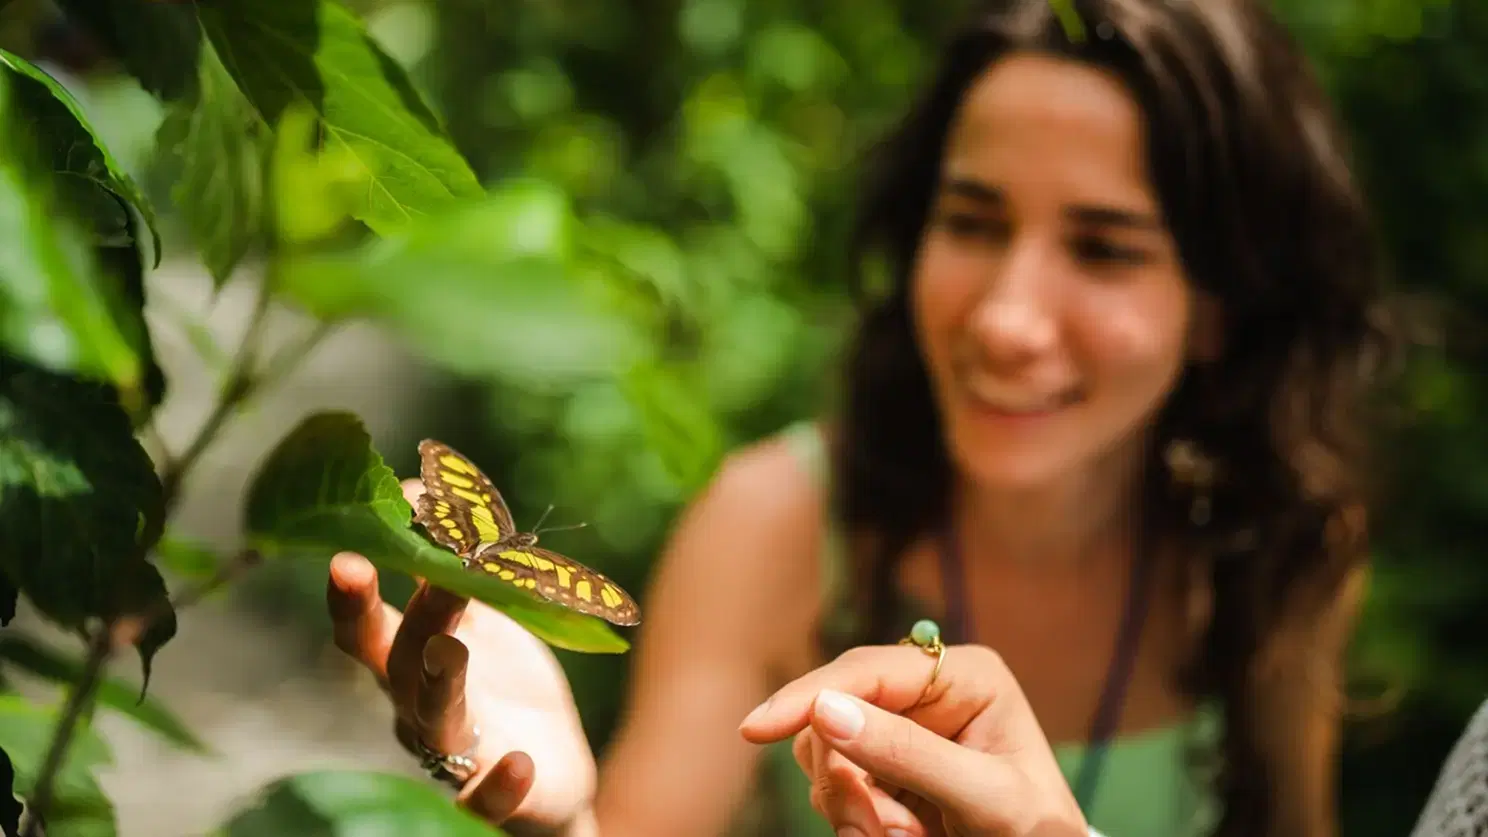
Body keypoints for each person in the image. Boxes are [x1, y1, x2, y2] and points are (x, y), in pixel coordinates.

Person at [326, 0, 1394, 835]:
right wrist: (555, 816)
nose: (1010, 319)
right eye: (972, 220)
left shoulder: (1281, 546)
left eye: (1105, 248)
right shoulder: (774, 523)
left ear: (1219, 309)